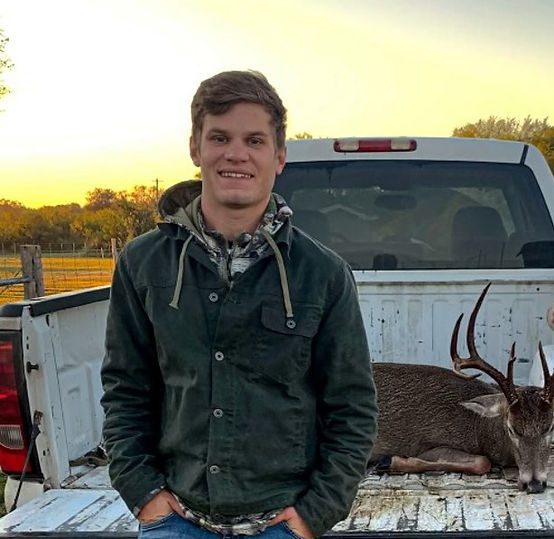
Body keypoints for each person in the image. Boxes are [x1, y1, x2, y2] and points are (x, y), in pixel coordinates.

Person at [101, 70, 378, 539]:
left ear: (279, 155)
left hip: (282, 525)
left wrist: (315, 515)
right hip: (176, 520)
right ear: (196, 147)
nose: (236, 154)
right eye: (220, 137)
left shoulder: (324, 274)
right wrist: (143, 494)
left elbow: (352, 408)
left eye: (254, 140)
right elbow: (126, 388)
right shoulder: (143, 263)